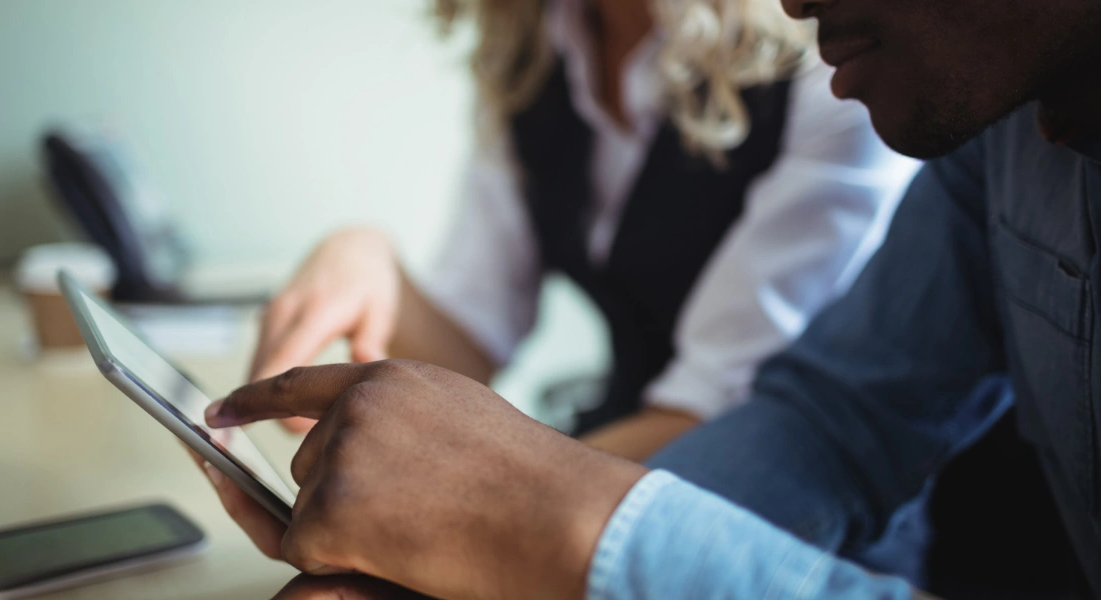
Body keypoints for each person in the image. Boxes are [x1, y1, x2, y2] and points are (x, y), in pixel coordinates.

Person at [194, 0, 1101, 595]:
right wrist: (373, 261)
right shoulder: (1001, 135)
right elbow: (833, 421)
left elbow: (728, 417)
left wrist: (516, 523)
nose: (790, 2)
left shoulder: (852, 82)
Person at [252, 0, 917, 467]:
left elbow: (711, 415)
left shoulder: (828, 74)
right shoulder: (541, 47)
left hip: (777, 515)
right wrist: (370, 258)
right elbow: (470, 345)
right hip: (611, 460)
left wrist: (467, 502)